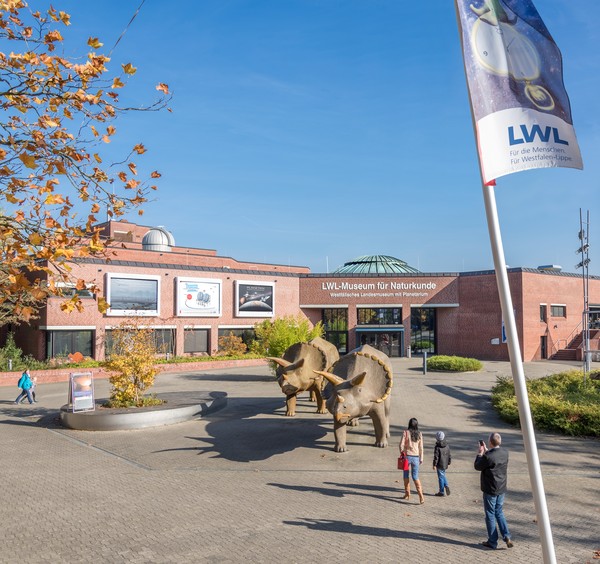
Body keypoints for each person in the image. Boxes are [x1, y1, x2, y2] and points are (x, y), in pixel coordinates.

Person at [474, 432, 514, 549]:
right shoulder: (505, 453)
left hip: (490, 489)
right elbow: (493, 460)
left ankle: (492, 541)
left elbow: (478, 466)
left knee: (490, 514)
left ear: (490, 442)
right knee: (499, 512)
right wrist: (488, 451)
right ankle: (507, 536)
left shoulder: (488, 456)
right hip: (501, 488)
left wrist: (480, 453)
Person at [399, 417, 425, 504]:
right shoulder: (420, 434)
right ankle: (421, 496)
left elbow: (401, 445)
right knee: (415, 476)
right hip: (416, 457)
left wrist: (402, 453)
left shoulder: (406, 433)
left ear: (409, 424)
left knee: (405, 475)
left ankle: (407, 493)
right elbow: (421, 447)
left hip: (407, 458)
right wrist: (421, 458)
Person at [433, 431, 451, 497]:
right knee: (443, 475)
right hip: (445, 463)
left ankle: (441, 491)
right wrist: (449, 462)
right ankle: (446, 485)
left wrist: (434, 464)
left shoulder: (437, 447)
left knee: (440, 477)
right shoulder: (447, 445)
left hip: (439, 464)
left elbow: (436, 457)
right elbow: (449, 455)